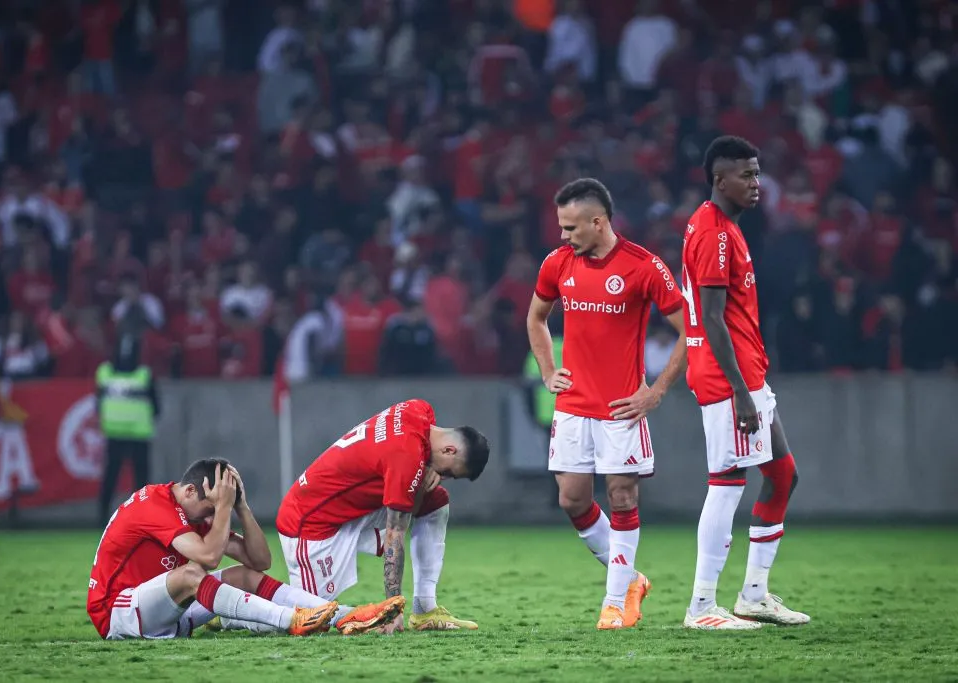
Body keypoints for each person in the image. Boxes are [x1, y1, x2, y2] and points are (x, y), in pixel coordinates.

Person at [526, 178, 687, 630]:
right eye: (561, 227)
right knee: (571, 499)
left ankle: (614, 602)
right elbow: (536, 318)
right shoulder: (557, 264)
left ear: (599, 222)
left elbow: (690, 331)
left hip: (621, 408)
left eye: (571, 227)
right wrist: (546, 369)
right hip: (573, 406)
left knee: (621, 494)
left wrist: (655, 391)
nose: (563, 236)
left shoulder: (644, 267)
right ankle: (632, 580)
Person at [679, 136, 809, 630]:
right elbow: (712, 318)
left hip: (747, 373)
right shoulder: (713, 232)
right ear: (720, 179)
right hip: (726, 377)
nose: (757, 184)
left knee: (782, 474)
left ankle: (753, 594)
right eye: (747, 175)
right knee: (727, 483)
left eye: (758, 174)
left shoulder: (723, 227)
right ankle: (702, 607)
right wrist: (737, 387)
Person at [87, 458, 404, 640]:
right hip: (119, 614)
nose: (212, 518)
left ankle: (347, 616)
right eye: (209, 509)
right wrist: (222, 508)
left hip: (165, 614)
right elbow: (209, 557)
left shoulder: (196, 508)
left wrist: (240, 507)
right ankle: (288, 620)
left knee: (244, 576)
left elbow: (260, 561)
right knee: (192, 573)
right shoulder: (155, 506)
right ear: (189, 490)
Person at [276, 399, 489, 633]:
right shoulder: (407, 456)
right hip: (310, 525)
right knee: (307, 620)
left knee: (435, 501)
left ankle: (425, 609)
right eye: (448, 472)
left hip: (350, 512)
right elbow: (395, 533)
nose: (443, 476)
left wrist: (426, 470)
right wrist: (393, 609)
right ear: (449, 450)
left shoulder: (419, 410)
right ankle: (236, 608)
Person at [95, 334, 159, 527]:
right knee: (141, 478)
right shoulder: (144, 375)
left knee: (111, 475)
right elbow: (157, 407)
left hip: (114, 431)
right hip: (139, 432)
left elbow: (98, 403)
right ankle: (141, 518)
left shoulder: (104, 372)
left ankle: (102, 518)